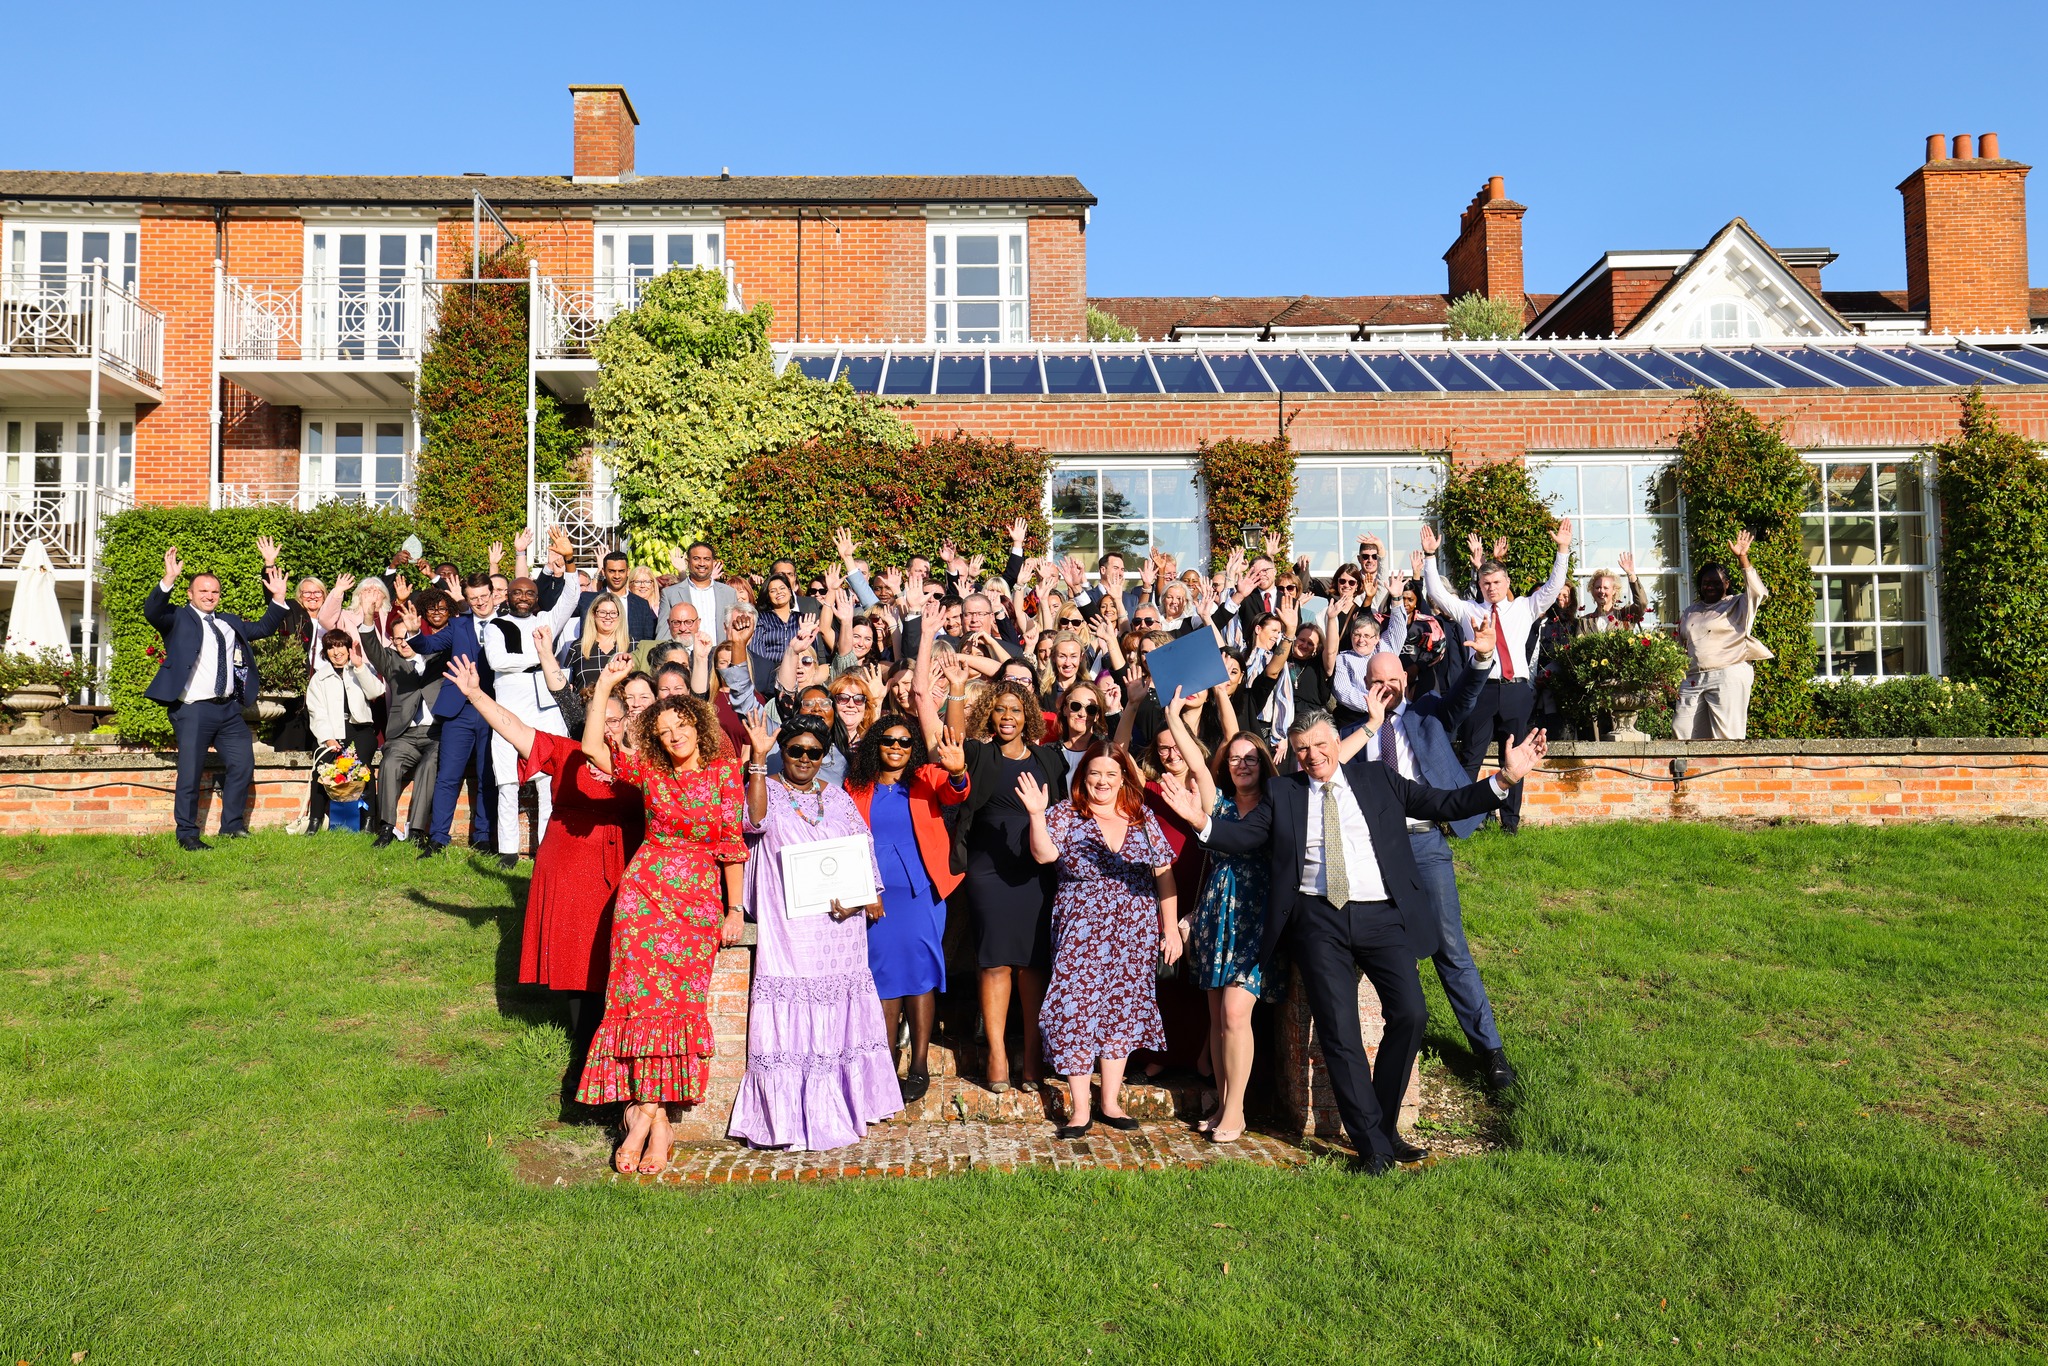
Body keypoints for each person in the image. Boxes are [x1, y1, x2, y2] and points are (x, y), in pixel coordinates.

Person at [1156, 707, 1547, 1173]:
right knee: (1340, 1033)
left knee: (1412, 1014)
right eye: (1302, 749)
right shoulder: (1284, 793)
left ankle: (1382, 1124)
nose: (1312, 756)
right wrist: (1200, 822)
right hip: (1317, 919)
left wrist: (1504, 778)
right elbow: (1241, 838)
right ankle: (1372, 1147)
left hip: (1381, 915)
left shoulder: (1378, 780)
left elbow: (1445, 805)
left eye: (1321, 745)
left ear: (1336, 744)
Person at [574, 656, 748, 1175]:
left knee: (678, 1006)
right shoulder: (649, 768)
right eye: (664, 730)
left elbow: (731, 845)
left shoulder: (723, 769)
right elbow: (589, 749)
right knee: (642, 1005)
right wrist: (606, 682)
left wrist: (734, 907)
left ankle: (646, 1116)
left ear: (699, 723)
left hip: (695, 898)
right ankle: (659, 1124)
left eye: (681, 725)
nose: (674, 736)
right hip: (643, 895)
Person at [444, 653, 646, 1099]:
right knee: (579, 956)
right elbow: (514, 728)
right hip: (572, 867)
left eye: (617, 719)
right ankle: (582, 1052)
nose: (610, 727)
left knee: (621, 955)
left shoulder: (643, 762)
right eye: (603, 717)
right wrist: (476, 693)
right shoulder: (567, 752)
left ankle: (618, 1045)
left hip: (628, 867)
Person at [728, 711, 904, 1150]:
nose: (804, 758)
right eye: (795, 751)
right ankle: (789, 1118)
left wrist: (866, 895)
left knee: (841, 1006)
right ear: (782, 752)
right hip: (790, 928)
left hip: (840, 927)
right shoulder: (763, 789)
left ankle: (846, 1106)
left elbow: (861, 846)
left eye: (814, 752)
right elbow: (753, 823)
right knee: (793, 1002)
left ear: (824, 756)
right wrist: (756, 758)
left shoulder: (839, 796)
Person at [1360, 621, 1520, 1092]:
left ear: (1405, 681)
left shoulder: (1427, 715)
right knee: (1388, 952)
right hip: (1376, 854)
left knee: (1451, 949)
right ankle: (1397, 1046)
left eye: (1392, 680)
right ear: (1364, 686)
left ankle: (1490, 1051)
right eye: (1376, 682)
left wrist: (1482, 661)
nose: (1385, 688)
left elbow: (1464, 698)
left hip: (1426, 844)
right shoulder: (1351, 734)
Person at [1020, 742, 1182, 1138]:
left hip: (1135, 928)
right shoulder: (1064, 814)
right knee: (1076, 1009)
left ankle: (1109, 1101)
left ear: (1124, 777)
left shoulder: (1142, 817)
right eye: (1095, 773)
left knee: (1120, 1010)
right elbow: (1043, 856)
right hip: (1081, 929)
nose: (1103, 781)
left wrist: (1172, 925)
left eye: (1112, 773)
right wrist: (1036, 815)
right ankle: (1079, 1111)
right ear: (1083, 777)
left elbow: (1164, 874)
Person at [945, 677, 1069, 1093]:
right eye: (1000, 709)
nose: (1008, 717)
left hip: (1036, 870)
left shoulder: (1049, 759)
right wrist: (957, 690)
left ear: (1028, 716)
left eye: (1016, 710)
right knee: (995, 960)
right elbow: (954, 742)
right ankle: (997, 1053)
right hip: (988, 870)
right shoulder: (980, 755)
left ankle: (1032, 1054)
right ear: (990, 715)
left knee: (1033, 965)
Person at [1160, 696, 1272, 1144]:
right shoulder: (1219, 802)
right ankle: (1224, 1103)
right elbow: (1198, 765)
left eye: (1251, 758)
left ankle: (1238, 1110)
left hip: (1254, 922)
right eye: (1235, 759)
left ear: (1263, 763)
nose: (1242, 765)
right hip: (1213, 918)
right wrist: (1171, 716)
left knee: (1234, 1012)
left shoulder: (1274, 805)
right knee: (1218, 1021)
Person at [842, 718, 970, 1103]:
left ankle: (919, 1064)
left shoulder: (927, 777)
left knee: (920, 975)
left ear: (912, 747)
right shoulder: (855, 786)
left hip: (920, 894)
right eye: (887, 740)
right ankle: (882, 1064)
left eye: (903, 741)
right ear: (875, 746)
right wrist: (862, 889)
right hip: (875, 895)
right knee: (882, 977)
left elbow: (955, 793)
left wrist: (959, 770)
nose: (895, 747)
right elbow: (846, 838)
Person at [1420, 518, 1571, 834]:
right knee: (1471, 756)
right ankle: (1462, 820)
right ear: (1481, 584)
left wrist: (1562, 549)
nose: (1492, 588)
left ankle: (1510, 824)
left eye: (1497, 582)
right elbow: (1436, 591)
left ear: (1506, 582)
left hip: (1516, 690)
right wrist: (1431, 558)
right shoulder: (1468, 611)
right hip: (1481, 690)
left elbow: (1554, 586)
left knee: (1514, 756)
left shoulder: (1525, 608)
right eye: (1486, 583)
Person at [142, 538, 289, 851]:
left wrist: (277, 599)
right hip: (193, 710)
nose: (209, 596)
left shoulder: (228, 622)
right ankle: (187, 834)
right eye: (203, 591)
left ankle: (232, 827)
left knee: (242, 764)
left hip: (228, 712)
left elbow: (263, 628)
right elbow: (153, 611)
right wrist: (167, 579)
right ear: (190, 594)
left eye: (214, 592)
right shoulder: (177, 618)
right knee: (190, 773)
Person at [481, 575, 582, 867]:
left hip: (546, 708)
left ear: (537, 597)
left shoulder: (546, 620)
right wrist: (540, 655)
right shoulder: (495, 626)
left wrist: (570, 566)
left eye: (529, 593)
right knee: (507, 782)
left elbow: (571, 597)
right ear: (507, 597)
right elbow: (497, 661)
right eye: (517, 593)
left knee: (548, 781)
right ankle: (508, 851)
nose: (523, 597)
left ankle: (547, 848)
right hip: (508, 711)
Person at [410, 573, 500, 858]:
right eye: (473, 599)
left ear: (493, 594)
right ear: (466, 600)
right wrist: (414, 633)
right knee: (447, 776)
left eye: (484, 596)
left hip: (494, 709)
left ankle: (484, 837)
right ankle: (437, 838)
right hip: (458, 711)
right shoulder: (458, 626)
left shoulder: (507, 623)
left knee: (489, 776)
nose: (479, 602)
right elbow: (429, 646)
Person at [357, 589, 452, 847]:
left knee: (429, 768)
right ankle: (386, 828)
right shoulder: (391, 661)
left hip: (436, 734)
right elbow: (371, 645)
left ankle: (418, 831)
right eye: (397, 640)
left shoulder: (438, 657)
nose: (402, 644)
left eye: (406, 638)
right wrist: (368, 614)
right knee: (388, 764)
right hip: (404, 736)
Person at [1675, 530, 1770, 740]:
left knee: (1727, 737)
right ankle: (1692, 772)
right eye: (1706, 582)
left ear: (1726, 584)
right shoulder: (1691, 610)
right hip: (1693, 677)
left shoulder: (1737, 603)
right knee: (1682, 731)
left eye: (1716, 582)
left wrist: (1742, 558)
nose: (1710, 586)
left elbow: (1758, 592)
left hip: (1729, 673)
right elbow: (1681, 643)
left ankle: (1728, 772)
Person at [304, 623, 384, 833]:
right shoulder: (319, 678)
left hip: (360, 730)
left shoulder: (360, 670)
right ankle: (315, 820)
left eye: (340, 646)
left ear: (349, 649)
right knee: (321, 769)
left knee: (362, 768)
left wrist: (359, 666)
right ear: (325, 651)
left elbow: (376, 692)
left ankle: (368, 820)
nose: (336, 652)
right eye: (331, 647)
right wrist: (327, 738)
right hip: (332, 731)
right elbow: (316, 712)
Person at [659, 541, 741, 647]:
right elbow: (663, 635)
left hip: (718, 658)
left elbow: (734, 630)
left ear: (713, 562)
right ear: (688, 562)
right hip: (684, 658)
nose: (702, 563)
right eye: (696, 558)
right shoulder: (670, 593)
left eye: (706, 559)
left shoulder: (728, 593)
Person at [570, 592, 634, 688]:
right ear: (593, 614)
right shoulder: (578, 647)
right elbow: (568, 684)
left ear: (620, 616)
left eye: (613, 613)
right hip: (585, 702)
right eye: (602, 612)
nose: (608, 617)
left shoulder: (633, 645)